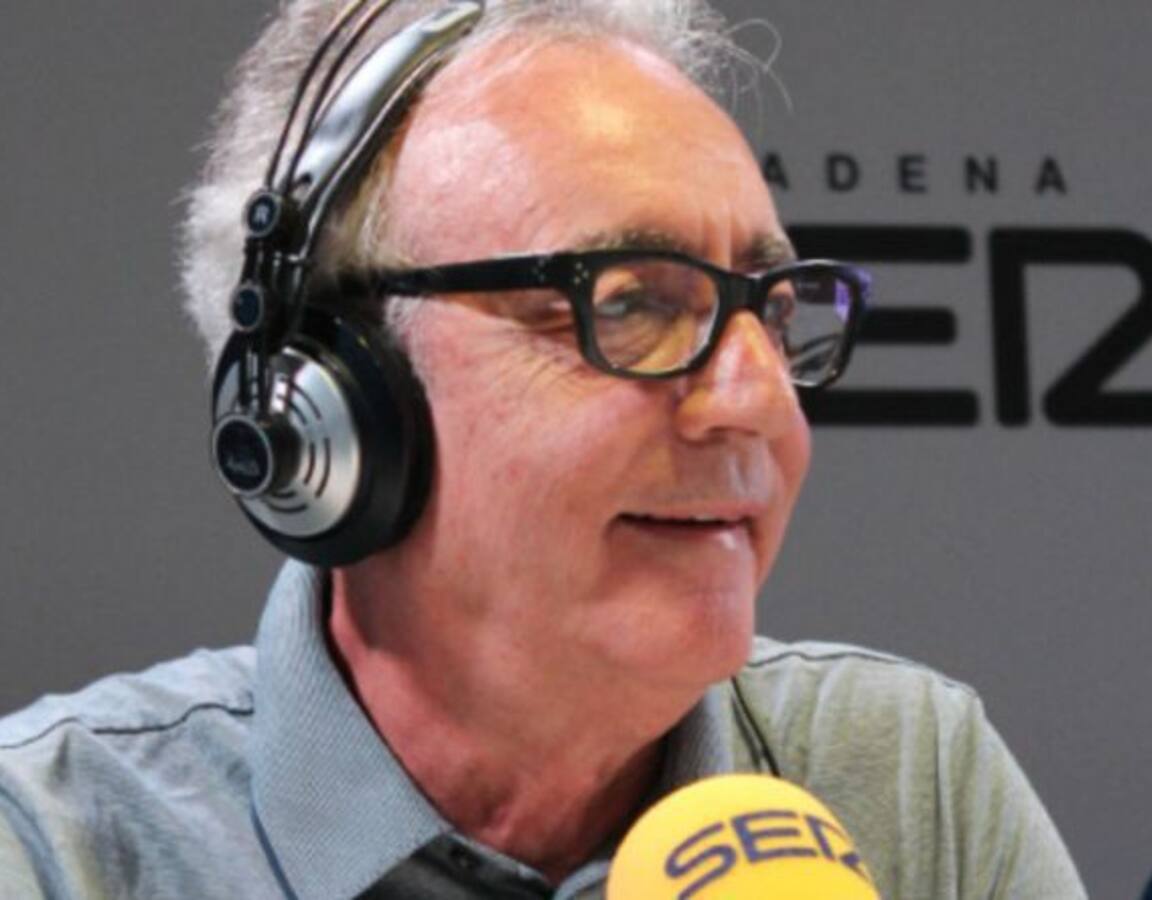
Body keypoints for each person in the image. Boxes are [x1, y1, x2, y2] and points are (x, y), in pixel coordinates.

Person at [0, 1, 1086, 897]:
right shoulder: (51, 844)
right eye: (629, 304)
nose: (758, 399)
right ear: (333, 405)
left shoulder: (907, 778)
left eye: (774, 309)